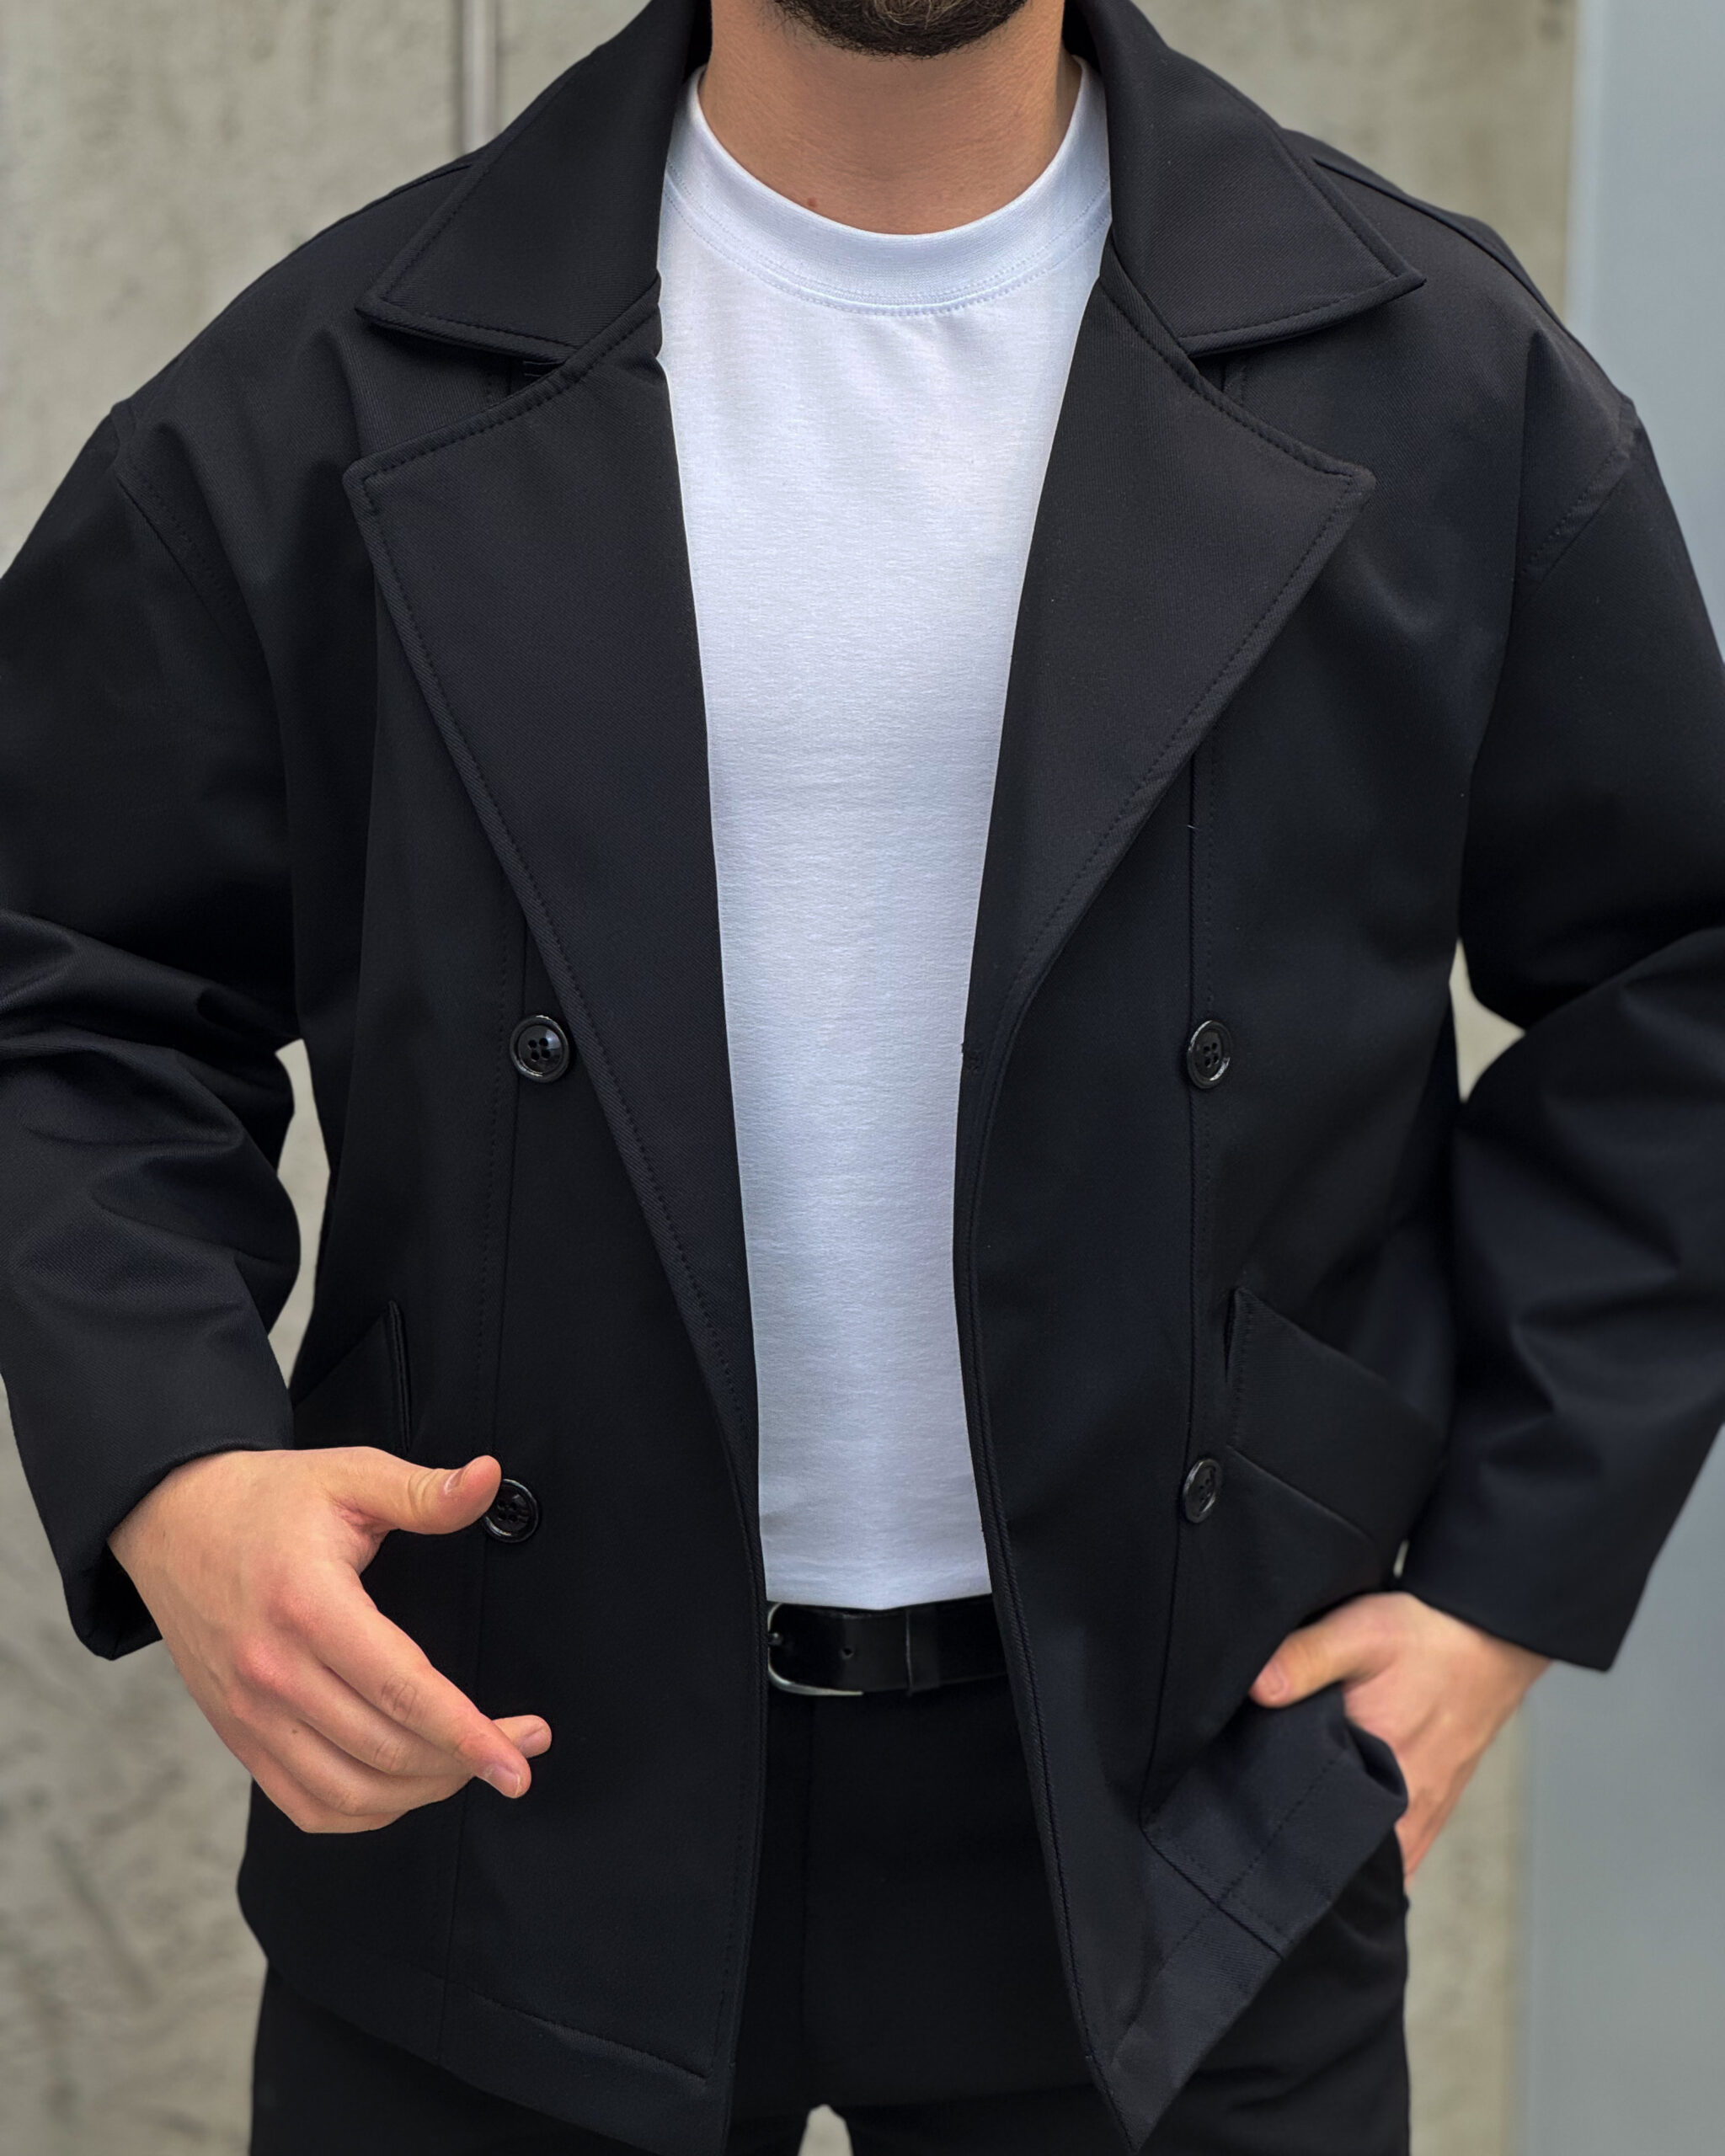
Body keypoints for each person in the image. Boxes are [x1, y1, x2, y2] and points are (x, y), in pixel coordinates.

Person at [2, 0, 1722, 2147]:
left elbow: (1674, 979)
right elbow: (62, 970)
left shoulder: (1429, 367)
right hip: (504, 1770)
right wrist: (175, 1466)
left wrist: (1495, 1585)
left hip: (1187, 1800)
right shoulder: (335, 377)